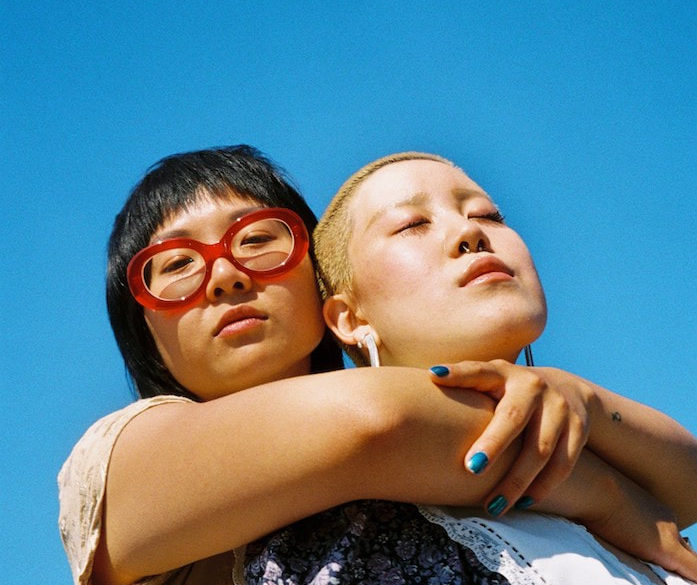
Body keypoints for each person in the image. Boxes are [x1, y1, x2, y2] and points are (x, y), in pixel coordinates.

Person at [58, 145, 695, 585]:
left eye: (258, 239)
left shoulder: (466, 462)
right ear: (140, 325)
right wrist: (605, 492)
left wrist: (576, 398)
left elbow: (684, 491)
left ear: (321, 287)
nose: (225, 274)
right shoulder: (120, 461)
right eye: (174, 265)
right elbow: (373, 421)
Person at [314, 151, 697, 584]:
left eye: (488, 216)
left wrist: (581, 398)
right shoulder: (326, 509)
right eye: (412, 224)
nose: (470, 232)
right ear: (350, 318)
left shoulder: (633, 506)